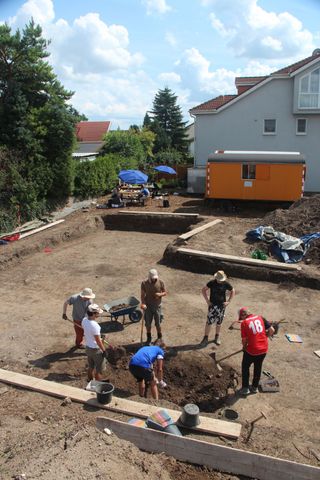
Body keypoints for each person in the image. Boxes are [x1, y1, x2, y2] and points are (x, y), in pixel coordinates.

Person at [238, 307, 275, 396]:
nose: (241, 319)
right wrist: (265, 336)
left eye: (241, 317)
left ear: (243, 315)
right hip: (263, 349)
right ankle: (254, 387)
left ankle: (245, 388)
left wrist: (244, 347)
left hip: (252, 350)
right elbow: (272, 330)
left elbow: (244, 340)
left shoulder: (244, 323)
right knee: (258, 367)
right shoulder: (260, 318)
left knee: (245, 367)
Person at [200, 270, 235, 347]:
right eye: (219, 279)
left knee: (219, 323)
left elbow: (233, 290)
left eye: (221, 279)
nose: (219, 281)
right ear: (216, 278)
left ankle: (217, 337)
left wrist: (228, 301)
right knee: (209, 322)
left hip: (221, 306)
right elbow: (203, 290)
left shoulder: (225, 284)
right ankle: (205, 338)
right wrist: (207, 301)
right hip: (212, 306)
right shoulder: (212, 283)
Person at [82, 304, 108, 382]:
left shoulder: (84, 320)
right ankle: (98, 384)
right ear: (93, 314)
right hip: (96, 350)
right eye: (97, 313)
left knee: (91, 366)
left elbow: (88, 332)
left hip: (88, 348)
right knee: (99, 369)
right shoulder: (95, 325)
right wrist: (104, 350)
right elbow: (98, 341)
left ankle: (90, 379)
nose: (98, 314)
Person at [141, 269, 167, 345]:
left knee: (158, 324)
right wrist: (143, 303)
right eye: (153, 278)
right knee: (148, 324)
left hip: (157, 307)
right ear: (149, 277)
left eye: (155, 277)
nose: (154, 279)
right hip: (148, 307)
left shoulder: (161, 282)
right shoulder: (144, 283)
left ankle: (160, 338)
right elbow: (142, 295)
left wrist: (160, 294)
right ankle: (149, 338)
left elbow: (165, 292)